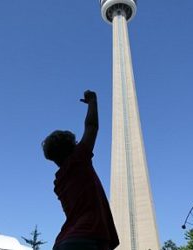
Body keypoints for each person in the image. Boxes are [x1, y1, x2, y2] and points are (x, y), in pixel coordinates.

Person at [42, 90, 119, 250]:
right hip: (87, 239)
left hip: (63, 242)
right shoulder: (79, 160)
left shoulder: (59, 182)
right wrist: (92, 101)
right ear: (72, 147)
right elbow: (92, 127)